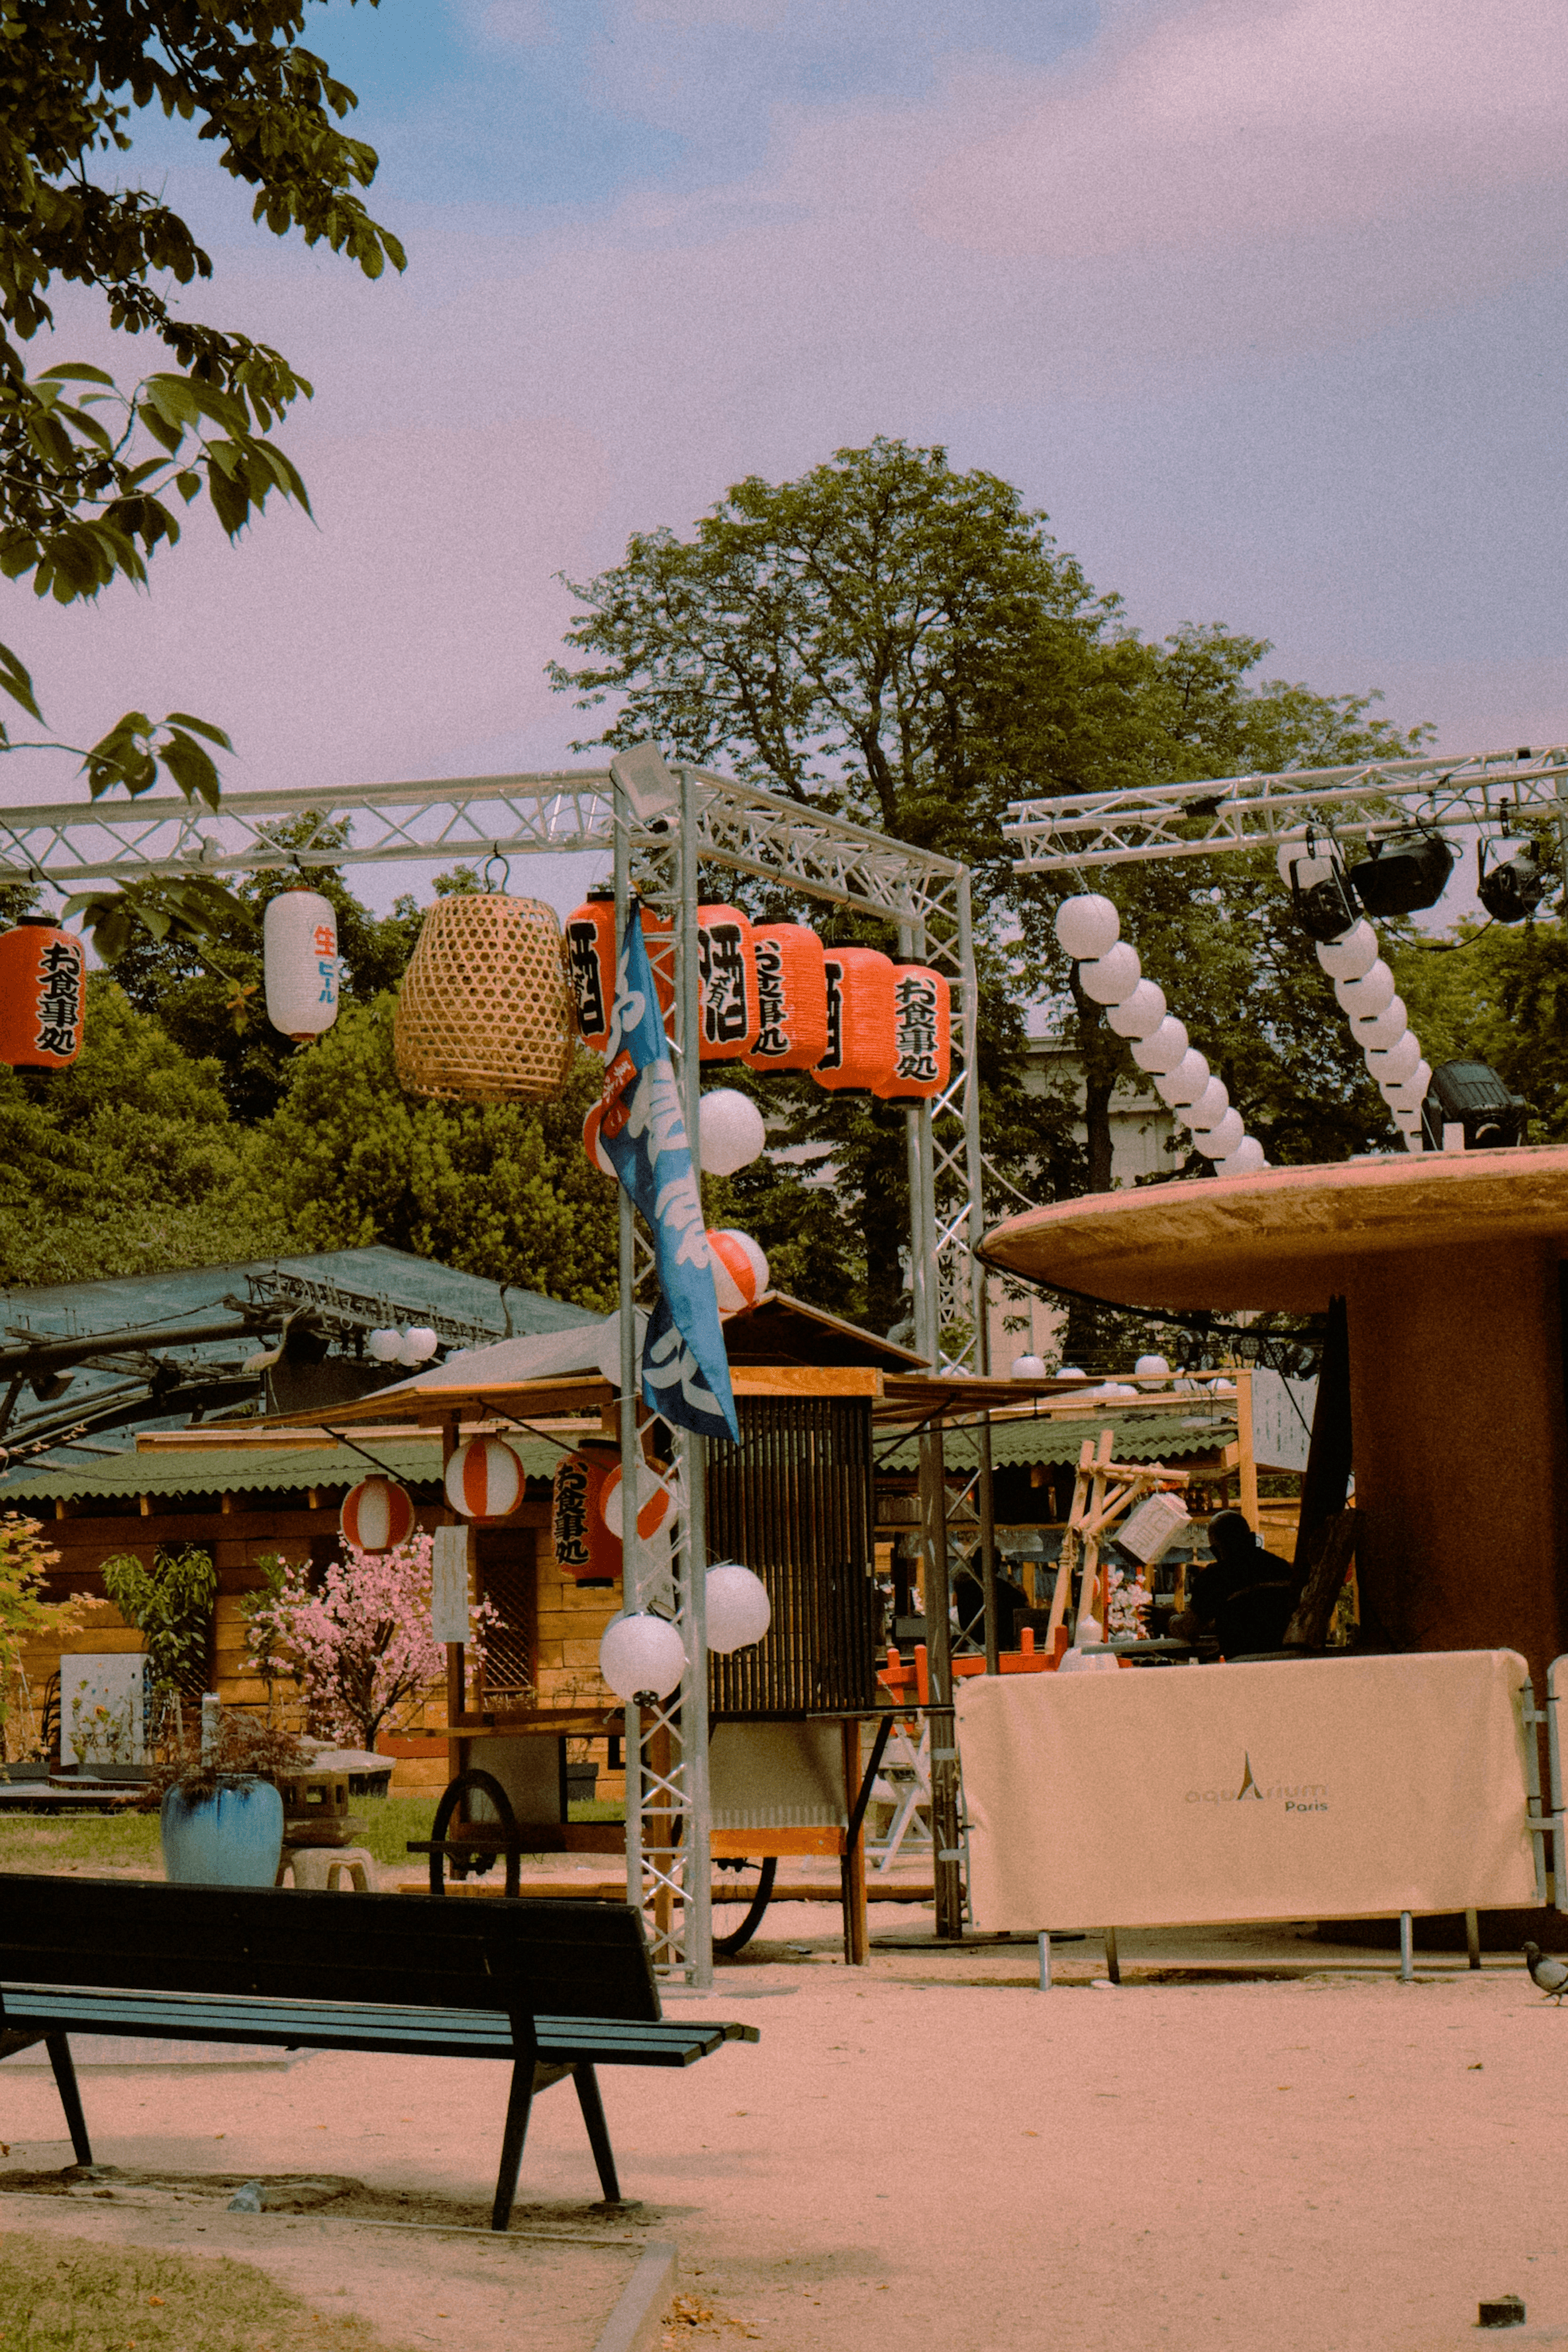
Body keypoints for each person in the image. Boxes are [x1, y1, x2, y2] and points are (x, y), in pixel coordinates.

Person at [1169, 1511, 1305, 1658]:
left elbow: (1189, 1629)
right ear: (1252, 1538)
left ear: (1214, 1551)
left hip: (1243, 1662)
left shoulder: (1215, 1577)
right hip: (1287, 1660)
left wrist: (1169, 1619)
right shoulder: (1282, 1568)